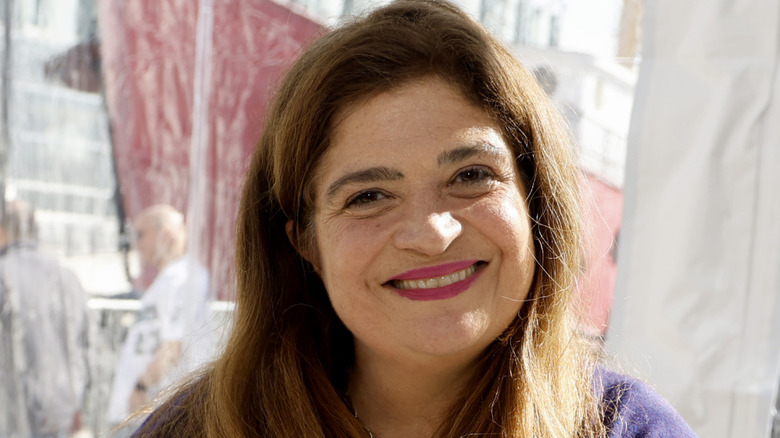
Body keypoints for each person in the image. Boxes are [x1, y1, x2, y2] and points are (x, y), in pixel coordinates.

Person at [130, 1, 697, 437]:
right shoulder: (198, 429)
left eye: (470, 175)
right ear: (305, 243)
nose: (432, 234)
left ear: (534, 200)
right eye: (369, 196)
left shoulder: (628, 427)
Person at [107, 204, 210, 432]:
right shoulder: (169, 279)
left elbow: (175, 345)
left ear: (166, 234)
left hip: (151, 416)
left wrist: (141, 386)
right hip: (141, 414)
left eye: (141, 234)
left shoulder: (186, 277)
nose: (137, 243)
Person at [0, 199, 89, 438]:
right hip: (60, 409)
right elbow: (83, 346)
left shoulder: (3, 273)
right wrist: (77, 404)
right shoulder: (67, 277)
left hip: (12, 410)